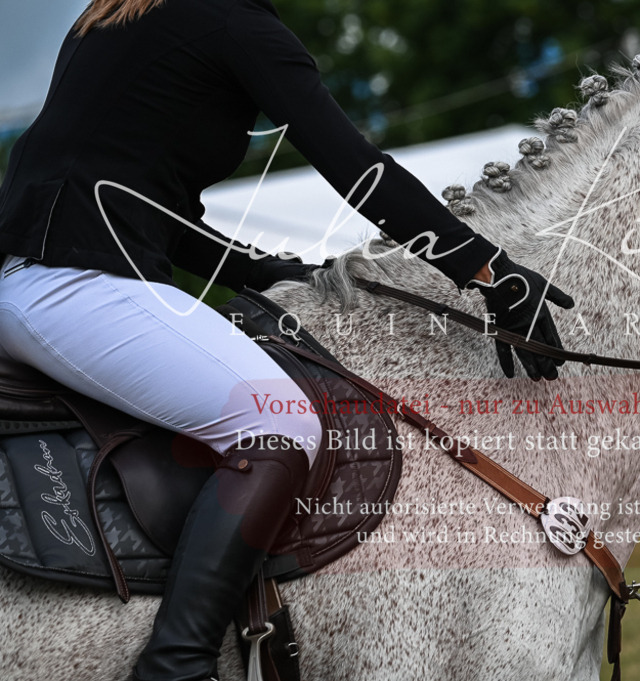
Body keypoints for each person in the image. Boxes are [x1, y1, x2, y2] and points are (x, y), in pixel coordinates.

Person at [0, 1, 573, 679]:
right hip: (78, 285)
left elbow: (146, 204)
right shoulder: (235, 22)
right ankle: (175, 662)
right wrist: (490, 271)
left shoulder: (108, 18)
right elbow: (359, 169)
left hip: (37, 277)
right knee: (280, 422)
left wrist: (268, 269)